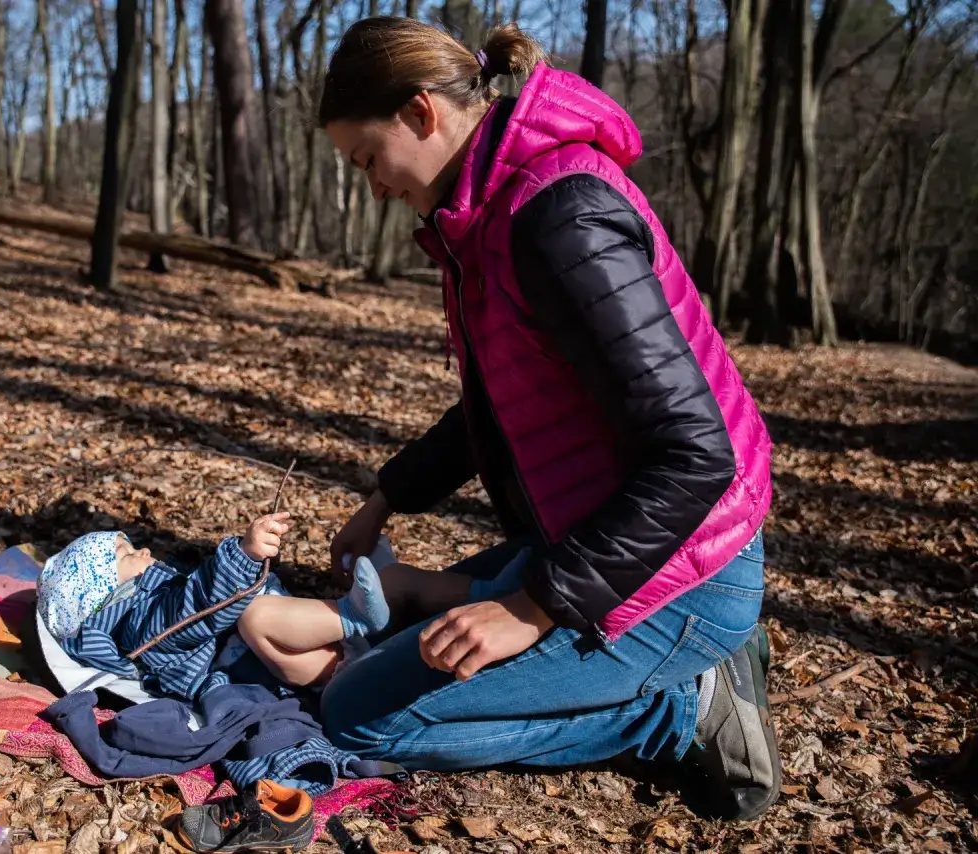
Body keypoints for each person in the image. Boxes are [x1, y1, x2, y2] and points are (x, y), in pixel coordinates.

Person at [317, 16, 780, 820]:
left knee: (361, 719)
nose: (376, 188)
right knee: (388, 648)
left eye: (368, 160)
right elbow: (495, 404)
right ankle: (642, 665)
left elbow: (697, 456)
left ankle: (683, 707)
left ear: (423, 115)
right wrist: (388, 496)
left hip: (684, 573)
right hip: (599, 543)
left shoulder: (560, 219)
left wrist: (531, 609)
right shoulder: (487, 215)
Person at [35, 512, 525, 692]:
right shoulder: (139, 621)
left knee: (397, 579)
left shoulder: (150, 593)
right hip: (287, 670)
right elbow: (191, 612)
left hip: (294, 650)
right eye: (123, 554)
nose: (141, 549)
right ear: (101, 589)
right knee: (257, 615)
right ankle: (354, 615)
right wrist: (243, 556)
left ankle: (499, 593)